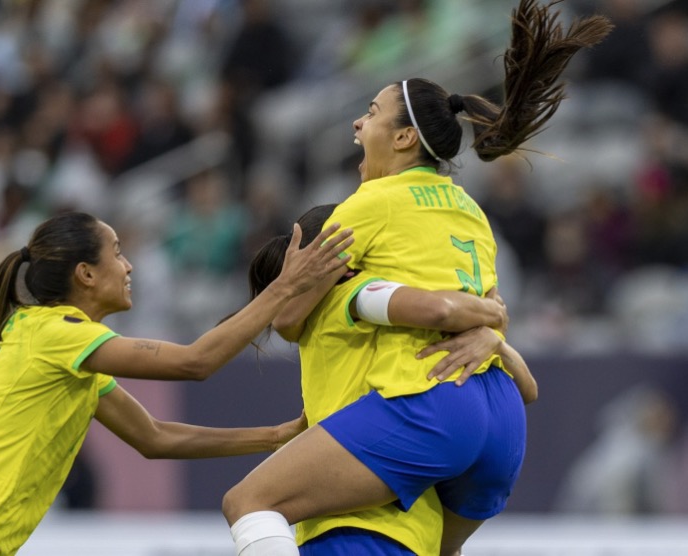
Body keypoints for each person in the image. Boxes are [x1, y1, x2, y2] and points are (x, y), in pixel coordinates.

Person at [222, 1, 612, 555]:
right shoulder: (471, 210)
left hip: (428, 412)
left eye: (372, 112)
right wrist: (493, 322)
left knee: (249, 502)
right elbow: (510, 351)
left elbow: (286, 317)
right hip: (499, 413)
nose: (357, 123)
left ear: (405, 139)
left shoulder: (368, 213)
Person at [0, 210, 354, 556]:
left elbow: (155, 437)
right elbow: (195, 362)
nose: (129, 267)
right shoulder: (55, 334)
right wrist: (285, 287)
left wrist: (278, 436)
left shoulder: (66, 351)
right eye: (118, 254)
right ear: (85, 274)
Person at [243, 204, 536, 555]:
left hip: (350, 525)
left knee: (247, 503)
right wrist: (492, 318)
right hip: (411, 523)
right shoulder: (357, 296)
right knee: (248, 501)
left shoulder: (343, 310)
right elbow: (437, 309)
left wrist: (494, 340)